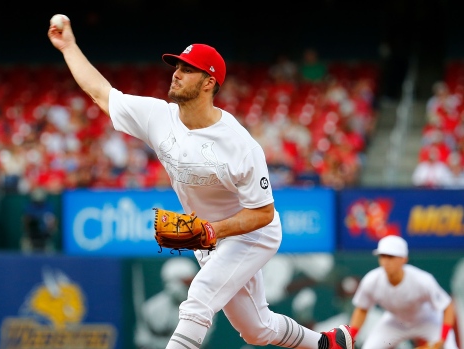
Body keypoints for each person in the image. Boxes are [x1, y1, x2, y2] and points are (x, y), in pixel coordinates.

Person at [47, 15, 354, 349]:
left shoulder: (238, 143)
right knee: (257, 329)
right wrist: (69, 47)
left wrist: (212, 231)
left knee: (199, 299)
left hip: (250, 234)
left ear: (209, 82)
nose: (177, 73)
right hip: (209, 238)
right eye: (177, 66)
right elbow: (100, 93)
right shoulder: (158, 117)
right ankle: (328, 344)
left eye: (188, 69)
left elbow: (263, 214)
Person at [348, 235, 459, 349]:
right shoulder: (371, 280)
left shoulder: (422, 280)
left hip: (427, 320)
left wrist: (443, 338)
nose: (386, 261)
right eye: (382, 256)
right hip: (395, 322)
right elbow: (362, 309)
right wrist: (350, 337)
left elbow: (447, 306)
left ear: (404, 259)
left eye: (391, 256)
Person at [134, 257, 215, 349]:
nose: (190, 287)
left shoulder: (202, 307)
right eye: (186, 282)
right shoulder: (151, 307)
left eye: (192, 282)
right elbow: (142, 340)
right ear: (171, 281)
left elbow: (199, 341)